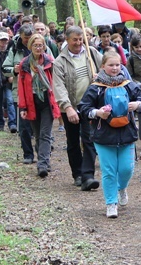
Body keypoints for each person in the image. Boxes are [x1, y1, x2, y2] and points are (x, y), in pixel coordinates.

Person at [78, 51, 141, 218]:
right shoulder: (96, 87)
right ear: (103, 67)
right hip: (104, 136)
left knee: (126, 169)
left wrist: (137, 104)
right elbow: (84, 108)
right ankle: (111, 203)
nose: (115, 68)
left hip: (127, 134)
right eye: (111, 65)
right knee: (108, 171)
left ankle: (122, 187)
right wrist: (97, 113)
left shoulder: (128, 85)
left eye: (117, 65)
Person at [53, 26, 103, 190]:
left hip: (89, 106)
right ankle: (78, 174)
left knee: (89, 140)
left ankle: (88, 175)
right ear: (67, 40)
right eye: (75, 39)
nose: (78, 42)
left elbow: (108, 66)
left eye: (81, 39)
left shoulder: (92, 53)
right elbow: (59, 87)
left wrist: (100, 76)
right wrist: (67, 108)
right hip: (71, 107)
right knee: (73, 141)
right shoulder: (60, 61)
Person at [18, 34, 61, 178]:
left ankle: (42, 164)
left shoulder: (50, 62)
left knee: (45, 134)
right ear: (30, 46)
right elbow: (21, 87)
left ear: (44, 46)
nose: (38, 48)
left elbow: (56, 81)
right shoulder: (25, 64)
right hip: (32, 102)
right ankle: (45, 160)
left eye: (41, 45)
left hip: (47, 102)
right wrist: (22, 107)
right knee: (37, 134)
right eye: (35, 45)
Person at [3, 25, 37, 163]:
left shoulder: (42, 46)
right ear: (20, 36)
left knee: (39, 125)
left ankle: (42, 153)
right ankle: (28, 154)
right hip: (21, 91)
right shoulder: (14, 49)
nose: (28, 41)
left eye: (30, 38)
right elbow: (4, 68)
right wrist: (14, 70)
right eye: (25, 38)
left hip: (39, 91)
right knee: (24, 125)